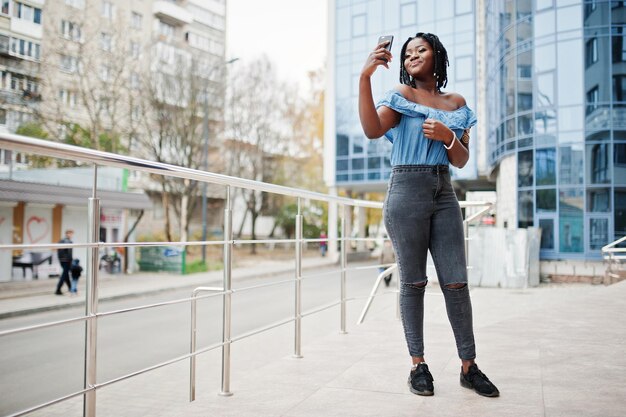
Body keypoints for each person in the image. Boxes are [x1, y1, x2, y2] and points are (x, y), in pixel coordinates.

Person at [359, 33, 499, 397]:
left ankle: (469, 367)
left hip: (444, 191)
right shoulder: (401, 98)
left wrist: (447, 137)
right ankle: (418, 366)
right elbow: (373, 130)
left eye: (421, 49)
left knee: (456, 282)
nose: (413, 56)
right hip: (406, 189)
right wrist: (365, 77)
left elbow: (462, 159)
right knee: (413, 282)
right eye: (407, 54)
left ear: (438, 55)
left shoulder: (457, 104)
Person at [55, 229, 73, 295]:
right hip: (66, 260)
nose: (71, 235)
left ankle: (70, 288)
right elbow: (69, 253)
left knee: (66, 274)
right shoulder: (68, 242)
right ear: (67, 234)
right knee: (64, 274)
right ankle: (58, 289)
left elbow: (58, 251)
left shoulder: (61, 241)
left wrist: (60, 259)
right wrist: (70, 260)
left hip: (62, 260)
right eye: (70, 233)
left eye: (71, 234)